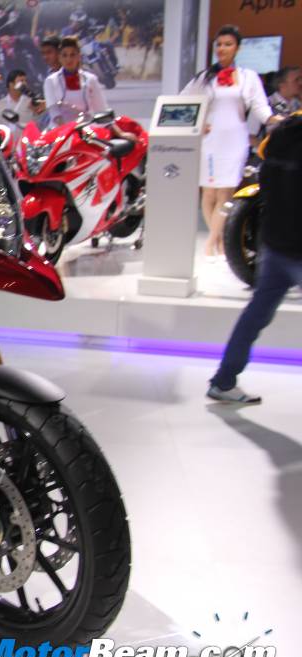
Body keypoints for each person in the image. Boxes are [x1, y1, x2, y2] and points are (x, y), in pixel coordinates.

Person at [208, 109, 302, 404]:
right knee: (256, 315)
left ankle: (223, 381)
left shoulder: (282, 133)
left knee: (255, 315)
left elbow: (265, 179)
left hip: (274, 244)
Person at [181, 25, 282, 257]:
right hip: (209, 140)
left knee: (225, 193)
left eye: (228, 44)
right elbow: (182, 101)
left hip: (235, 139)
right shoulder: (204, 78)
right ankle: (218, 241)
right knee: (208, 193)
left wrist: (273, 119)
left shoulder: (248, 77)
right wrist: (198, 121)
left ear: (237, 48)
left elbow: (260, 106)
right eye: (219, 44)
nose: (222, 49)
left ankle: (213, 242)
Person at [42, 37, 108, 126]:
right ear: (59, 58)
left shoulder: (91, 79)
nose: (69, 59)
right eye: (65, 55)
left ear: (79, 57)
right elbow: (54, 113)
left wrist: (116, 130)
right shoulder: (51, 81)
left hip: (87, 129)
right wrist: (69, 129)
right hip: (60, 130)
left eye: (72, 55)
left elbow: (101, 110)